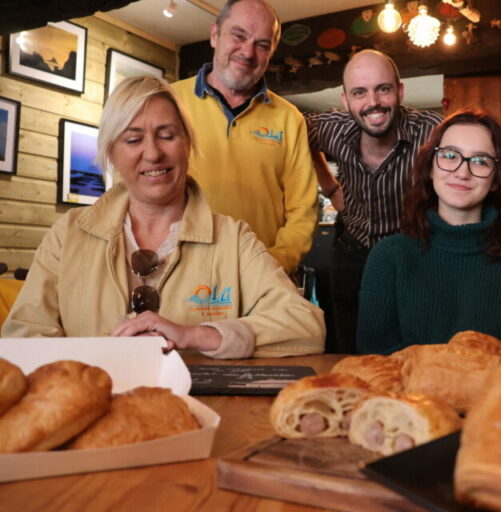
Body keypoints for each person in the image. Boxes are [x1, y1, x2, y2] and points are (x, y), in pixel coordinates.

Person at [2, 76, 325, 358]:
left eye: (167, 135)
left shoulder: (234, 239)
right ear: (111, 152)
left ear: (188, 144)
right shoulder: (69, 233)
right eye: (133, 139)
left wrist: (197, 335)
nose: (153, 153)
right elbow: (23, 336)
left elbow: (306, 327)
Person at [356, 109, 501, 355]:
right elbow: (375, 359)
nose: (462, 172)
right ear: (430, 167)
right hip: (402, 385)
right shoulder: (388, 255)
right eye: (450, 156)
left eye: (480, 161)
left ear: (496, 179)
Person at [305, 49, 442, 353]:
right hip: (352, 250)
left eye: (383, 89)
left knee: (413, 348)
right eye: (359, 92)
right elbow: (295, 135)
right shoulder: (330, 128)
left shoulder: (432, 132)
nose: (373, 102)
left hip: (412, 252)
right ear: (345, 101)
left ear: (400, 92)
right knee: (349, 348)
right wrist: (330, 187)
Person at [171, 0, 318, 274]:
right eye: (238, 36)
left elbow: (304, 209)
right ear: (215, 34)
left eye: (262, 45)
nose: (248, 52)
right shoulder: (168, 102)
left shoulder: (289, 119)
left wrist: (272, 266)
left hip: (259, 279)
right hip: (178, 273)